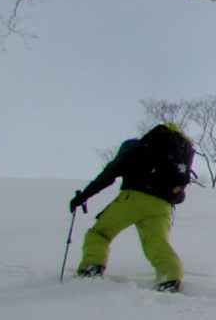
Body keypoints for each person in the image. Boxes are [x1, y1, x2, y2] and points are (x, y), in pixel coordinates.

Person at [69, 123, 197, 293]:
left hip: (133, 199)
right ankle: (170, 277)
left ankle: (92, 267)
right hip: (163, 207)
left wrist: (83, 196)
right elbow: (180, 193)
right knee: (156, 243)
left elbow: (109, 175)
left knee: (100, 233)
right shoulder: (178, 156)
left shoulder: (135, 148)